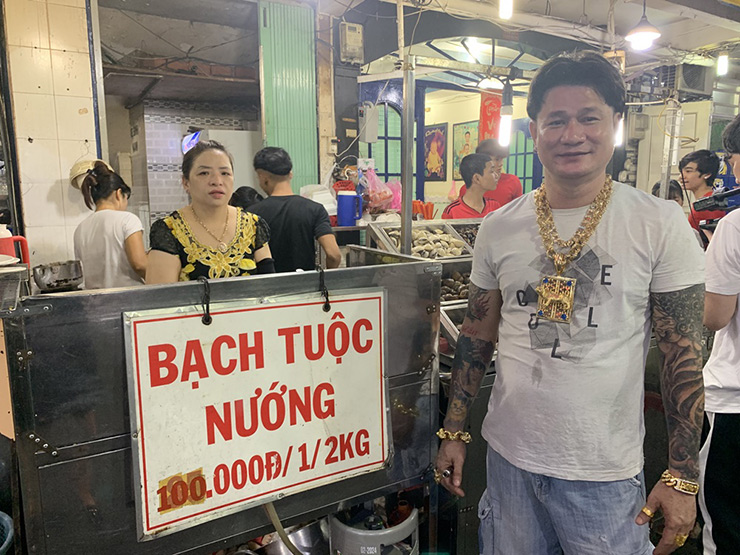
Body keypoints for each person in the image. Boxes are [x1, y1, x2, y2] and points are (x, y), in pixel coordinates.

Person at [434, 50, 705, 555]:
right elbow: (476, 332)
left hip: (603, 474)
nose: (572, 134)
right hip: (510, 462)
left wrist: (682, 475)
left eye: (589, 118)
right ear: (534, 130)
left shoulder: (659, 223)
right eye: (556, 120)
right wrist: (454, 430)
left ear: (616, 124)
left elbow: (683, 353)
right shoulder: (498, 226)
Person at [146, 140, 274, 283]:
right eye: (204, 173)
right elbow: (162, 295)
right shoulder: (169, 230)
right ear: (186, 182)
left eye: (225, 173)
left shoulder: (253, 225)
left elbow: (270, 288)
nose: (217, 181)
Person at [699, 113, 740, 554]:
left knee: (727, 528)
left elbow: (715, 316)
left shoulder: (734, 226)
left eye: (731, 157)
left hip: (735, 404)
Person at [250, 147, 341, 272]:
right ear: (290, 174)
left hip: (267, 284)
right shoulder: (315, 209)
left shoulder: (252, 214)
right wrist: (326, 278)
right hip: (305, 283)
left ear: (263, 176)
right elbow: (334, 255)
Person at [73, 161, 146, 289]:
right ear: (118, 194)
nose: (126, 204)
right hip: (129, 297)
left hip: (95, 299)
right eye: (126, 198)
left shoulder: (80, 229)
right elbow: (140, 265)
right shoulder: (127, 220)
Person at [457, 139, 523, 207]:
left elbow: (519, 209)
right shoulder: (466, 190)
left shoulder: (513, 181)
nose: (501, 164)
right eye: (497, 159)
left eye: (502, 159)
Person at [442, 153, 501, 219]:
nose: (496, 175)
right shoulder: (452, 211)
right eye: (492, 171)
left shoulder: (494, 206)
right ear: (477, 178)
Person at [680, 149, 723, 231]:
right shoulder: (708, 202)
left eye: (688, 171)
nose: (681, 177)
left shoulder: (707, 206)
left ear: (707, 174)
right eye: (681, 172)